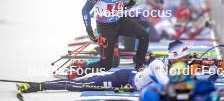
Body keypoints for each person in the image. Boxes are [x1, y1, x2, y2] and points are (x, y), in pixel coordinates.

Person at [16, 40, 188, 94]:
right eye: (184, 57)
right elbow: (166, 85)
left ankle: (76, 76)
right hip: (122, 79)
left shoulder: (173, 66)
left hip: (131, 78)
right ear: (176, 57)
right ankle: (38, 86)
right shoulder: (159, 64)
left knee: (89, 80)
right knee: (81, 86)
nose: (186, 60)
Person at [81, 0, 149, 72]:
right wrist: (89, 30)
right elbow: (85, 10)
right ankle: (80, 69)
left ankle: (139, 66)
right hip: (106, 28)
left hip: (120, 21)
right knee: (107, 65)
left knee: (144, 35)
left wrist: (133, 0)